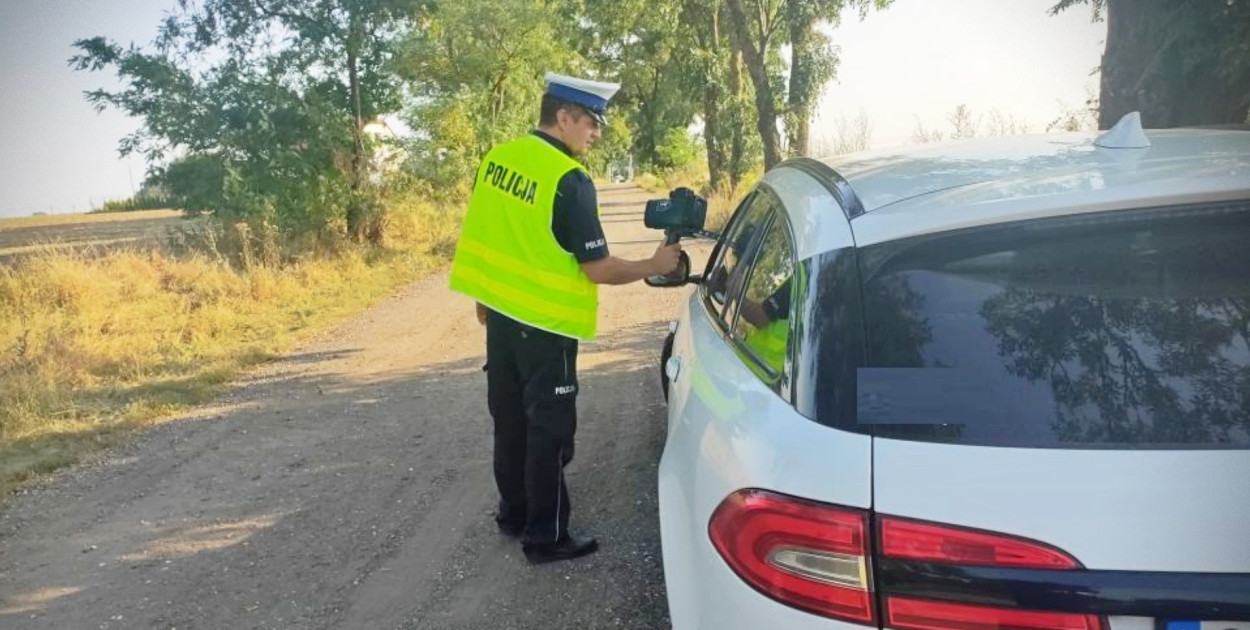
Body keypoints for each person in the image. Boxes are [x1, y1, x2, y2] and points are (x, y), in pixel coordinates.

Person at [449, 72, 682, 565]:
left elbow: (484, 234)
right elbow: (597, 268)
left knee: (509, 420)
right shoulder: (568, 180)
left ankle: (513, 514)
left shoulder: (498, 159)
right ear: (563, 117)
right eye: (591, 122)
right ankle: (546, 537)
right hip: (547, 327)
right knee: (548, 433)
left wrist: (483, 298)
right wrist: (653, 265)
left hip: (501, 319)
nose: (596, 133)